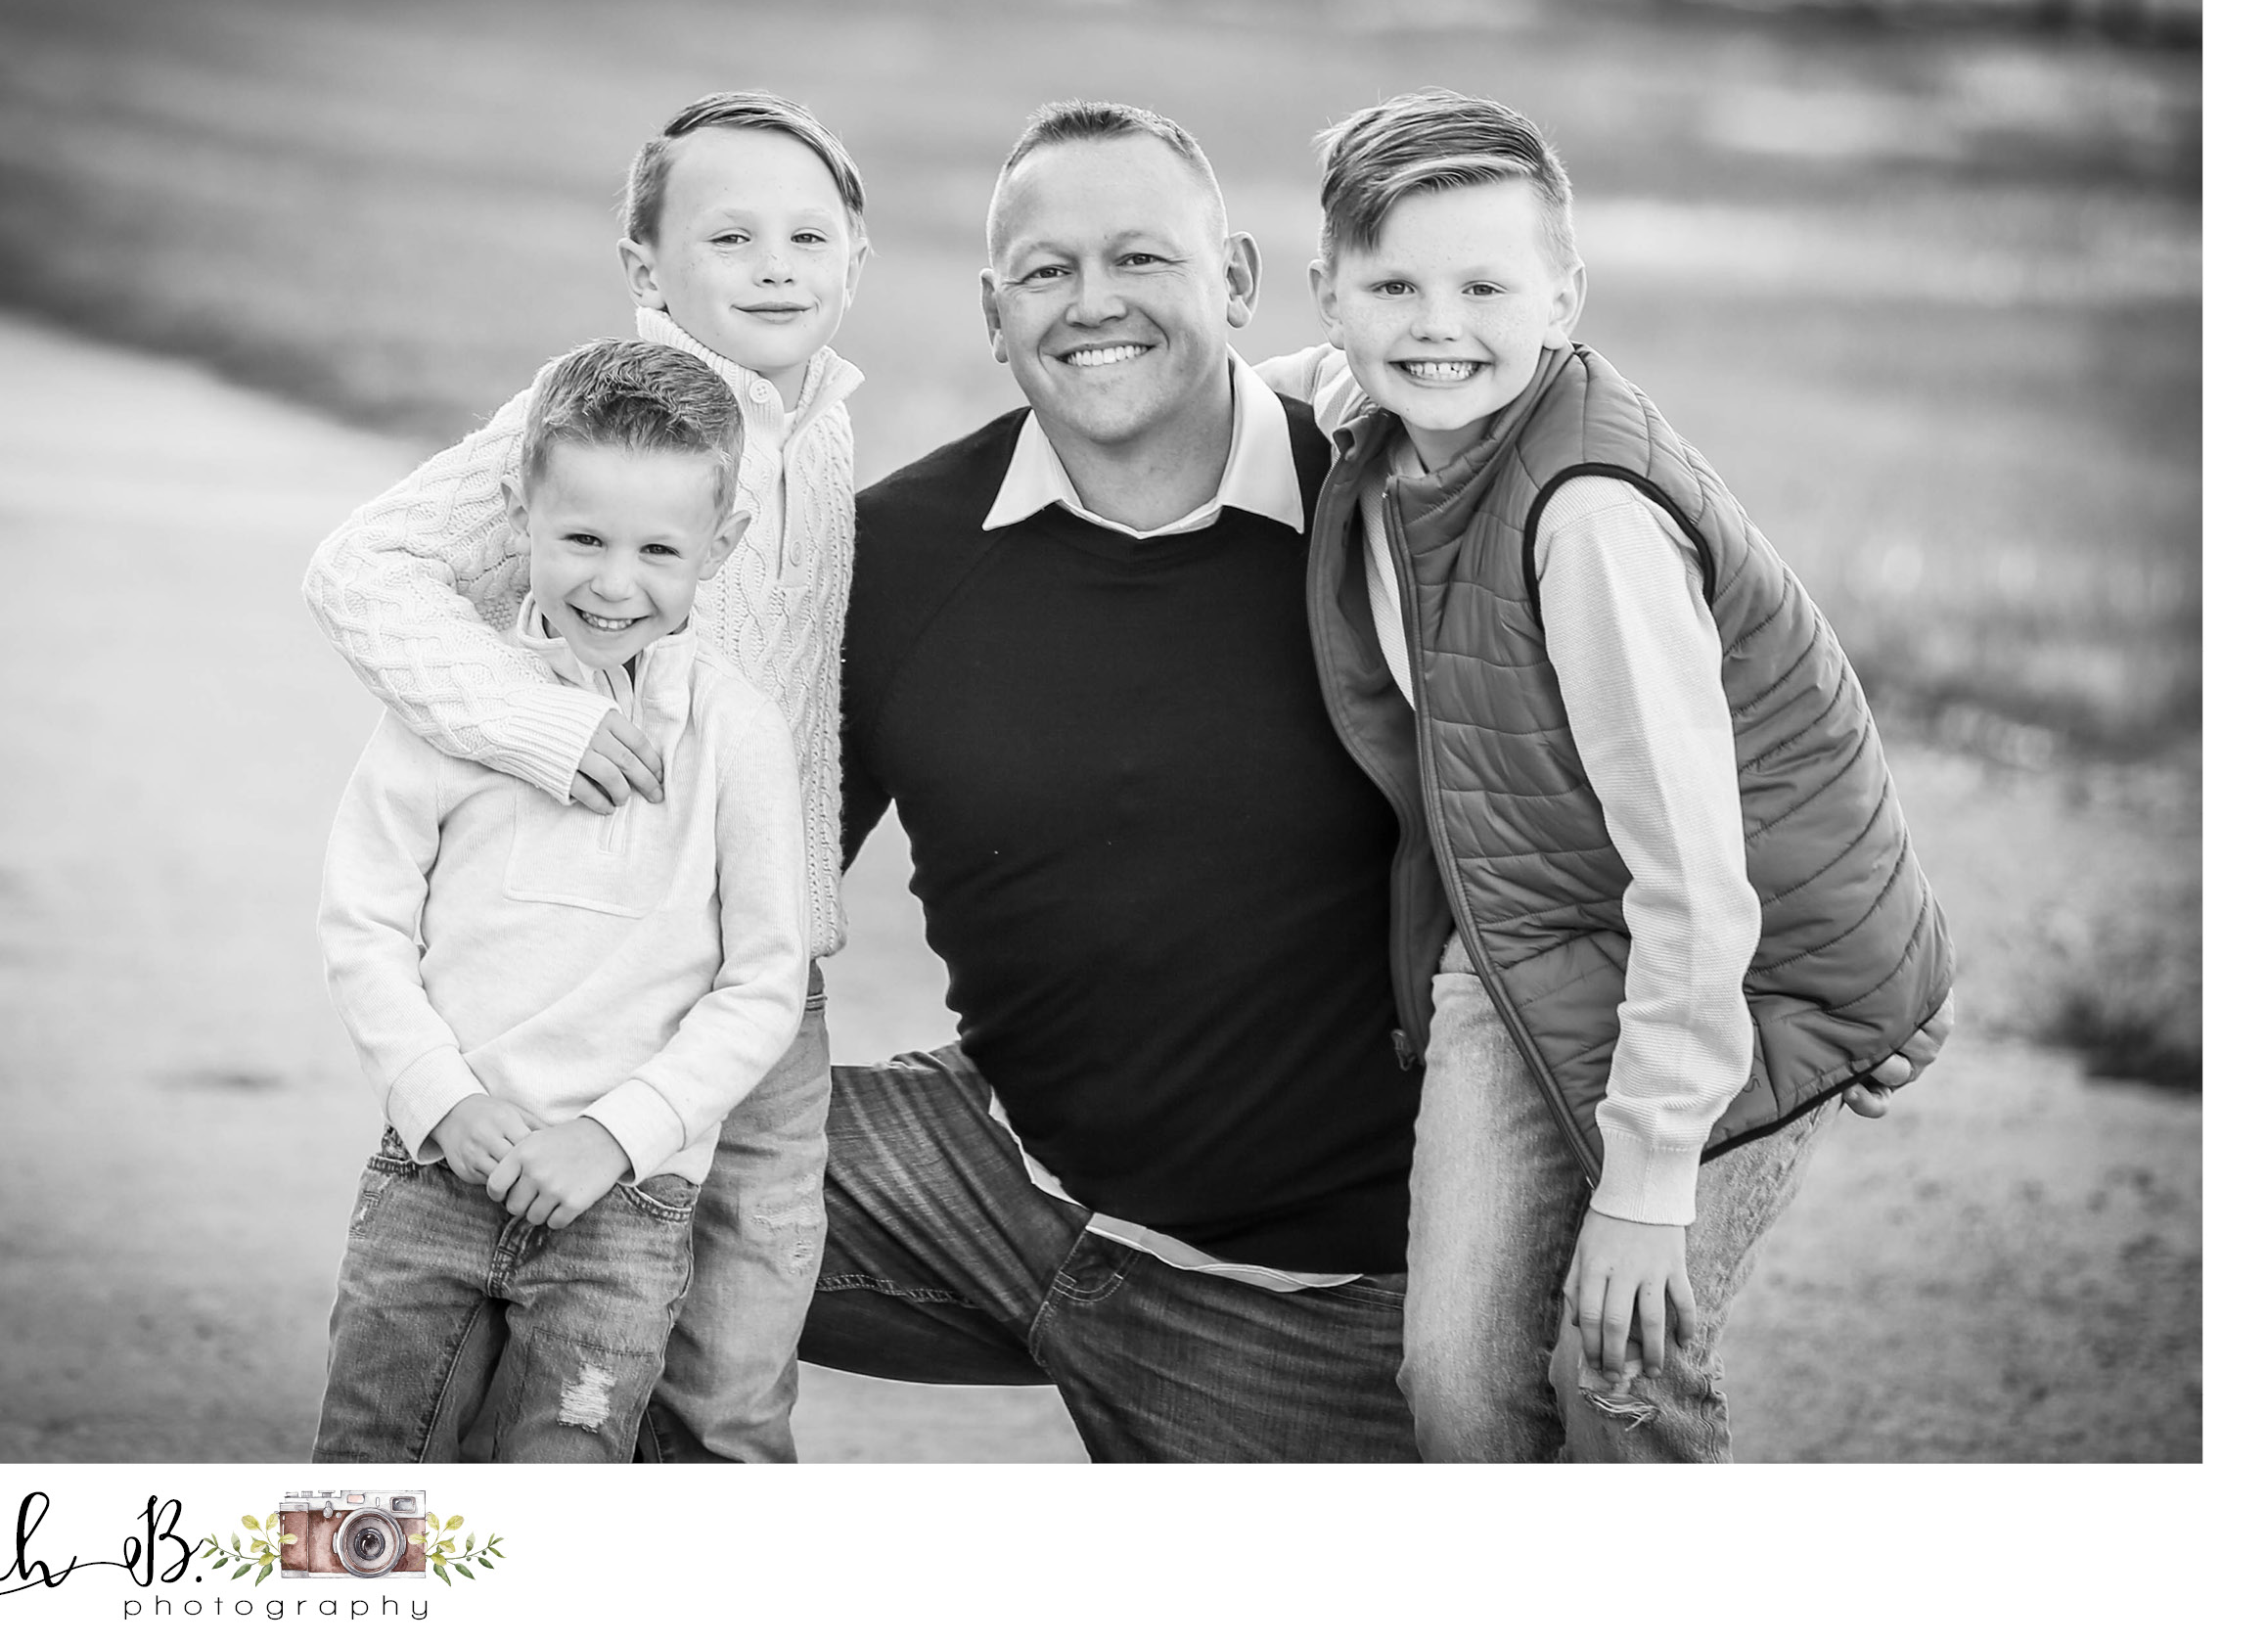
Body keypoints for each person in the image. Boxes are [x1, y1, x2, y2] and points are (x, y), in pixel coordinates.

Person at [1258, 87, 1956, 1462]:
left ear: (1564, 298)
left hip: (1743, 963)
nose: (1437, 324)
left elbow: (1694, 871)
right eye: (1391, 286)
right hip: (1527, 932)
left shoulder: (1587, 524)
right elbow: (1216, 399)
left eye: (1483, 286)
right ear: (1328, 296)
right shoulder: (1365, 406)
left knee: (1615, 1367)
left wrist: (1645, 1186)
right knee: (1457, 1384)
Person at [801, 101, 1431, 1461]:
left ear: (1238, 280)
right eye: (1047, 270)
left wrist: (1832, 964)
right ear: (994, 313)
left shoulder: (1390, 518)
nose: (1094, 302)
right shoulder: (894, 557)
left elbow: (1622, 790)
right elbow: (746, 894)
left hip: (1297, 1289)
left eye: (1141, 257)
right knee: (558, 1196)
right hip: (988, 1179)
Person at [302, 92, 868, 1461]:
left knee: (731, 1376)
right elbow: (360, 568)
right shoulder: (599, 419)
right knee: (449, 1414)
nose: (775, 266)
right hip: (579, 981)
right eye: (729, 236)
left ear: (857, 258)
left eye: (808, 236)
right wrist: (536, 723)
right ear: (644, 268)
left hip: (758, 981)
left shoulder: (823, 425)